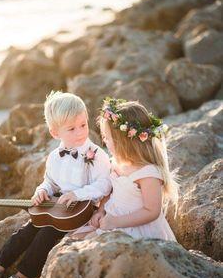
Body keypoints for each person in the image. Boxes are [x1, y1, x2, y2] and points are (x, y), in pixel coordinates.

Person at [0, 91, 111, 278]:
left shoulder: (96, 155)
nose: (80, 132)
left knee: (45, 235)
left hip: (81, 211)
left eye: (83, 125)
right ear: (56, 133)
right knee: (26, 230)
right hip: (59, 208)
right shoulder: (54, 157)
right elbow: (50, 182)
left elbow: (105, 184)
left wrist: (78, 194)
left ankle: (23, 276)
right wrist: (42, 191)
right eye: (72, 129)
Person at [74, 97, 179, 241]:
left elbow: (151, 211)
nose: (104, 141)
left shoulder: (148, 173)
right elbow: (109, 192)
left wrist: (115, 222)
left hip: (136, 229)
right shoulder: (116, 163)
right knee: (72, 239)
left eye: (107, 137)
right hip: (110, 220)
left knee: (84, 243)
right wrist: (100, 211)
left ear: (122, 142)